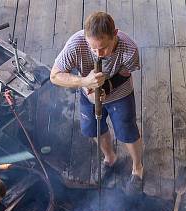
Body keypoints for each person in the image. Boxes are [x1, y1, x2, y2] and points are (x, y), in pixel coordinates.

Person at [50, 11, 143, 189]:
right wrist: (84, 82)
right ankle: (110, 158)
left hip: (120, 94)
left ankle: (137, 168)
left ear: (115, 34)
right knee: (93, 129)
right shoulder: (76, 44)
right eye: (94, 49)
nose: (99, 54)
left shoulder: (129, 49)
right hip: (88, 94)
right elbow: (55, 76)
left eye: (104, 48)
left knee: (127, 131)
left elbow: (126, 73)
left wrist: (106, 88)